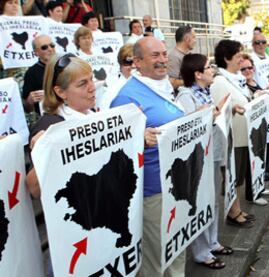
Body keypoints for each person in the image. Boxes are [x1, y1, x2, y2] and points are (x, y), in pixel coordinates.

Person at [110, 37, 186, 277]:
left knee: (176, 251)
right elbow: (116, 152)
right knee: (157, 261)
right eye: (155, 55)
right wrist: (139, 140)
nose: (163, 60)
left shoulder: (162, 87)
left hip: (175, 185)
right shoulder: (126, 98)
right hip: (153, 191)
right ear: (137, 61)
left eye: (164, 54)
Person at [175, 53, 233, 269]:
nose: (211, 70)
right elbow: (188, 129)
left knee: (213, 200)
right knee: (201, 202)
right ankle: (201, 252)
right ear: (197, 74)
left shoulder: (204, 91)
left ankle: (212, 241)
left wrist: (219, 110)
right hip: (199, 159)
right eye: (208, 67)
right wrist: (204, 115)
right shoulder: (186, 96)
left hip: (213, 153)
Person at [26, 53, 95, 198]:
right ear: (60, 92)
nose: (92, 87)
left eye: (91, 79)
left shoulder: (91, 113)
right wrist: (45, 151)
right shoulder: (50, 125)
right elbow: (34, 190)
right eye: (83, 84)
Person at [210, 39, 258, 222]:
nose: (241, 59)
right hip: (232, 138)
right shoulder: (220, 82)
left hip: (242, 135)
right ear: (226, 58)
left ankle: (236, 208)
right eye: (238, 55)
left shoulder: (234, 78)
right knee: (233, 175)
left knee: (238, 175)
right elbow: (220, 110)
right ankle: (233, 211)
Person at [240, 54, 269, 184]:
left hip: (266, 120)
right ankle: (261, 173)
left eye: (250, 67)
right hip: (255, 125)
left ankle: (267, 168)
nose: (247, 71)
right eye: (243, 69)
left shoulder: (255, 81)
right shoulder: (242, 87)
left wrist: (268, 88)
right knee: (261, 150)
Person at [22, 35, 56, 116]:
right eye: (44, 47)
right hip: (49, 118)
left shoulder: (65, 65)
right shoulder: (31, 73)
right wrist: (29, 101)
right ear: (36, 52)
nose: (50, 49)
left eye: (52, 45)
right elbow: (27, 108)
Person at [168, 25, 196, 90]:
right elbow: (171, 83)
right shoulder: (174, 57)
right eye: (194, 37)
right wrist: (194, 81)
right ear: (186, 39)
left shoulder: (188, 54)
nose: (195, 40)